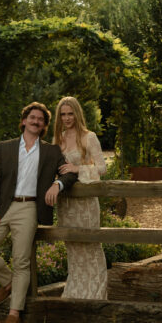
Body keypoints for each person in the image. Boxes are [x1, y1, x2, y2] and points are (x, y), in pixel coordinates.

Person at [0, 101, 77, 323]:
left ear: (43, 126)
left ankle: (14, 313)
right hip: (3, 208)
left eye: (40, 119)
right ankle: (10, 282)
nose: (36, 121)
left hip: (29, 209)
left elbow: (69, 175)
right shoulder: (6, 148)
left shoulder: (52, 151)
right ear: (23, 121)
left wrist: (57, 185)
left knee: (21, 261)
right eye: (32, 117)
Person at [53, 95, 108, 299]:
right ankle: (75, 293)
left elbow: (102, 168)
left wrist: (78, 168)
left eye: (70, 114)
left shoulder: (89, 136)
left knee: (90, 244)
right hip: (65, 202)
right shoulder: (57, 139)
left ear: (77, 114)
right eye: (63, 114)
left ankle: (95, 294)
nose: (67, 118)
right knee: (72, 246)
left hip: (85, 203)